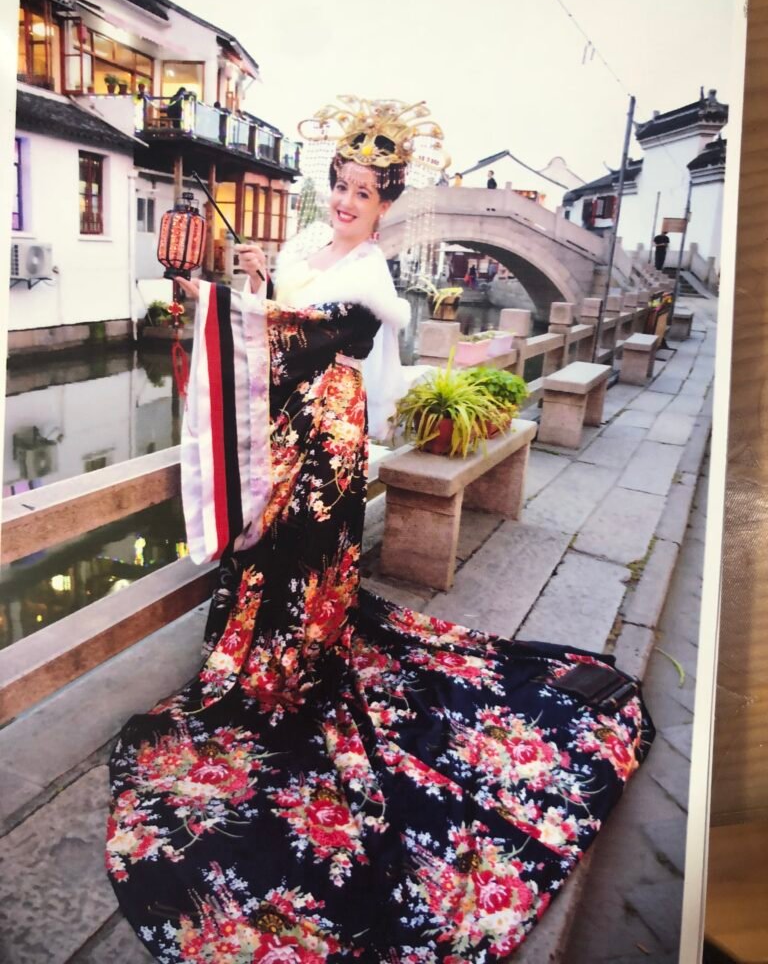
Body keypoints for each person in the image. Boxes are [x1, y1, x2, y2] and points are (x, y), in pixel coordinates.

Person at [106, 95, 654, 963]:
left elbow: (308, 338)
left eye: (369, 192)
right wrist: (252, 279)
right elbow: (275, 324)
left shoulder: (370, 282)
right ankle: (253, 658)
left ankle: (293, 674)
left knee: (308, 559)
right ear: (332, 187)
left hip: (325, 436)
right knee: (265, 553)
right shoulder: (304, 251)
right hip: (281, 428)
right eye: (345, 185)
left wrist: (234, 305)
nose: (353, 202)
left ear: (388, 203)